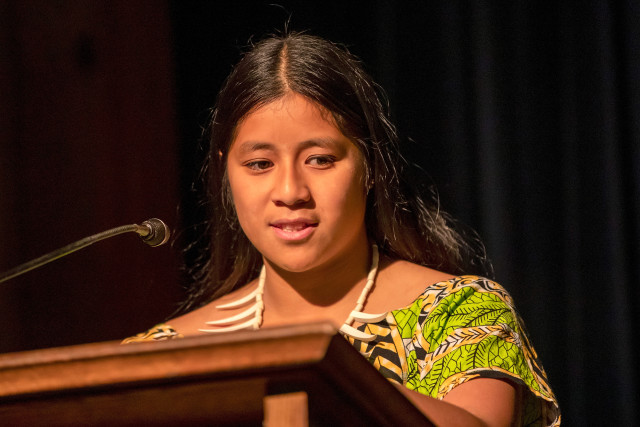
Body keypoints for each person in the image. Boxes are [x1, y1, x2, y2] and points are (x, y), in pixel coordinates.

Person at [124, 32, 560, 426]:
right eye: (259, 164)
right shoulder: (161, 356)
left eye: (320, 160)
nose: (290, 191)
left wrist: (318, 371)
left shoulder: (461, 313)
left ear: (369, 166)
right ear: (226, 174)